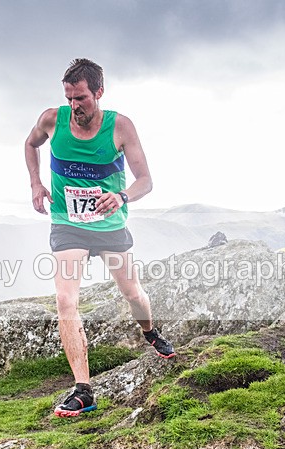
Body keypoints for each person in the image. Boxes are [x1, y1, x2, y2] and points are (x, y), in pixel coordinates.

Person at [25, 58, 176, 418]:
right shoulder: (52, 119)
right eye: (69, 98)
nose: (75, 106)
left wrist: (122, 196)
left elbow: (146, 181)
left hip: (109, 226)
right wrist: (35, 182)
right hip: (67, 223)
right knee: (65, 301)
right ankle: (83, 390)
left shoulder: (120, 127)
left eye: (81, 98)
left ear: (99, 93)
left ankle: (150, 332)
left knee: (133, 294)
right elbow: (30, 145)